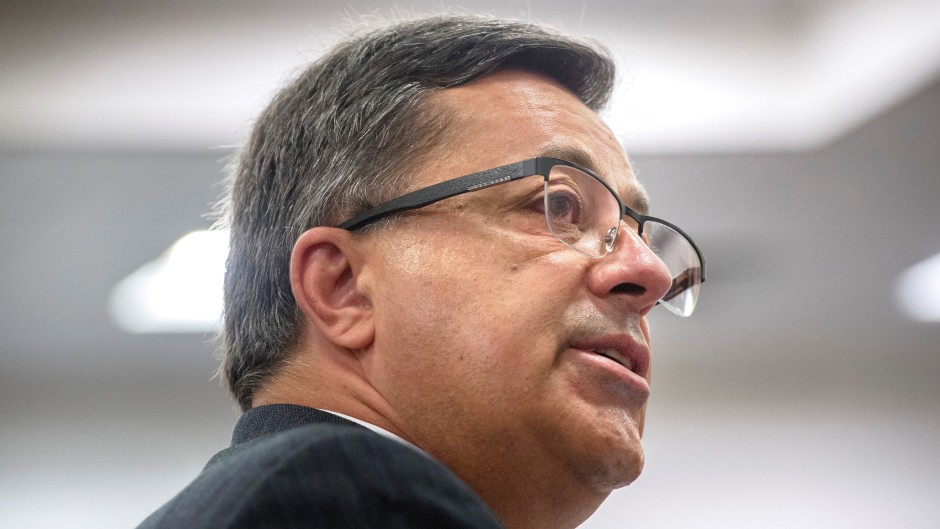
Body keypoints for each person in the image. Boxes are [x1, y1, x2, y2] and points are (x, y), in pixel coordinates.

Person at [138, 13, 705, 529]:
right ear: (342, 289)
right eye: (556, 205)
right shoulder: (345, 500)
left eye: (638, 232)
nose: (649, 271)